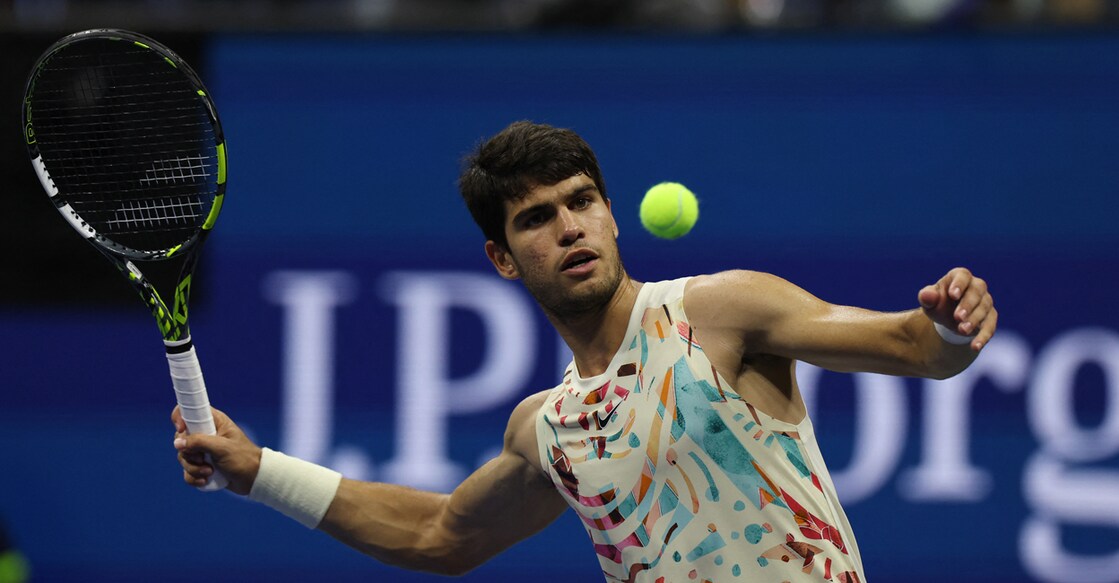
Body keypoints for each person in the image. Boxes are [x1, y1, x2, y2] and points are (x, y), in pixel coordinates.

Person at [174, 121, 997, 582]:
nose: (568, 226)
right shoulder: (549, 427)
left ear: (609, 213)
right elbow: (439, 534)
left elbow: (910, 344)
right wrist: (258, 472)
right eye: (535, 218)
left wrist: (952, 324)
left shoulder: (719, 311)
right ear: (502, 256)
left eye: (581, 202)